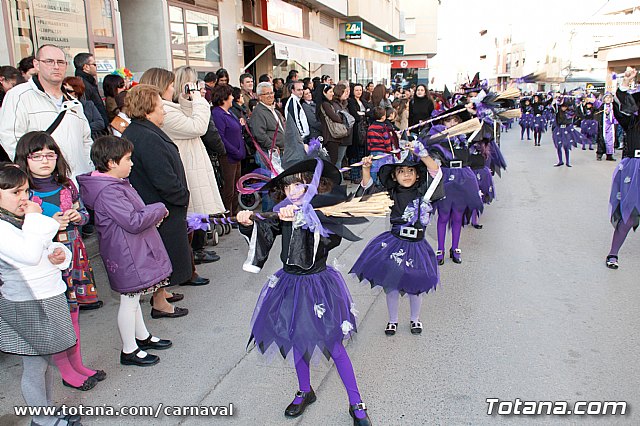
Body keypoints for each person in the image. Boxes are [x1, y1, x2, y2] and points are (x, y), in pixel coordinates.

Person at [236, 159, 372, 426]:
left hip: (318, 285)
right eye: (288, 187)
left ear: (314, 185)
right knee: (297, 338)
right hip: (289, 284)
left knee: (334, 344)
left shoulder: (322, 211)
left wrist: (306, 217)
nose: (294, 191)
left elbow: (332, 235)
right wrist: (247, 222)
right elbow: (264, 230)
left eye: (300, 185)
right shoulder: (281, 211)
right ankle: (304, 390)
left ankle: (356, 402)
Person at [14, 132, 104, 391]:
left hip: (74, 256)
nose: (45, 160)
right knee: (57, 318)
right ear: (24, 159)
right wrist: (48, 224)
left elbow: (85, 215)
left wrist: (78, 216)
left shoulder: (67, 185)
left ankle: (78, 365)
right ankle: (67, 372)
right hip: (46, 263)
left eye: (50, 155)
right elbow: (19, 230)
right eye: (37, 156)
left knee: (73, 314)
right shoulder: (22, 193)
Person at [78, 136, 174, 366]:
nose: (132, 163)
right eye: (128, 159)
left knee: (134, 297)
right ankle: (129, 349)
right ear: (111, 163)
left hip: (130, 248)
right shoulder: (109, 191)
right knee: (129, 300)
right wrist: (159, 208)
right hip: (126, 252)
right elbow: (132, 220)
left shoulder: (115, 184)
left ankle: (142, 336)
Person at [0, 162, 81, 426]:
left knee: (45, 362)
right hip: (25, 303)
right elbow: (29, 254)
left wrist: (59, 255)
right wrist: (36, 219)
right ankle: (42, 419)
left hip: (44, 297)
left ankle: (47, 411)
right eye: (15, 192)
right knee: (35, 367)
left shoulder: (20, 220)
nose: (23, 198)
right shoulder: (4, 227)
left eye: (25, 191)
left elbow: (45, 248)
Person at [350, 143, 442, 336]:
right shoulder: (390, 194)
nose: (406, 175)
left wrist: (422, 154)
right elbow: (369, 192)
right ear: (394, 176)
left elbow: (436, 173)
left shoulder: (424, 192)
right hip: (395, 243)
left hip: (417, 245)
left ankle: (415, 319)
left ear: (418, 175)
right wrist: (366, 169)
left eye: (411, 171)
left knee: (415, 284)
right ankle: (393, 320)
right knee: (391, 285)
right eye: (401, 171)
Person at [120, 84, 195, 316]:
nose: (164, 111)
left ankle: (161, 292)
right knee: (161, 254)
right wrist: (181, 196)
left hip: (157, 203)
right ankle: (160, 303)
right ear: (147, 109)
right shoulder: (146, 136)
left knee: (163, 253)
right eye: (160, 107)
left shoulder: (141, 131)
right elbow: (163, 177)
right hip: (161, 205)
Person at [140, 66, 224, 267]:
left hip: (189, 162)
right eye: (171, 85)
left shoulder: (169, 107)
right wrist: (199, 99)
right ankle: (189, 261)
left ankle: (192, 257)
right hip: (184, 165)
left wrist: (188, 99)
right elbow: (198, 126)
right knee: (188, 216)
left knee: (192, 215)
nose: (174, 88)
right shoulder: (164, 111)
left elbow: (188, 116)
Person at [0, 45, 93, 183]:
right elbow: (11, 139)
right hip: (43, 184)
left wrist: (88, 171)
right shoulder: (19, 96)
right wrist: (37, 174)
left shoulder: (74, 104)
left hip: (77, 182)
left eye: (60, 62)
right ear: (36, 64)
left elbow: (86, 141)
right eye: (49, 61)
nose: (56, 67)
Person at [429, 107, 483, 265]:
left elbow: (481, 124)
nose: (452, 123)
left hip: (462, 178)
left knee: (458, 216)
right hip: (445, 177)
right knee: (443, 215)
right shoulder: (438, 139)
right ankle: (440, 250)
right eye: (448, 120)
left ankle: (455, 248)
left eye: (455, 120)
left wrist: (476, 110)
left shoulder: (466, 137)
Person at [605, 67, 640, 269]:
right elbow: (620, 107)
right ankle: (613, 254)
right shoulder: (632, 122)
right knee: (629, 215)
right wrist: (626, 82)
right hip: (634, 169)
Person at [249, 82, 285, 211]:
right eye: (266, 94)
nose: (270, 96)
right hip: (267, 154)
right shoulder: (259, 112)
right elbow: (259, 134)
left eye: (271, 93)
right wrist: (272, 146)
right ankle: (268, 216)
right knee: (270, 187)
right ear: (259, 96)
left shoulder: (273, 110)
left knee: (277, 186)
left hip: (277, 153)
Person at [211, 84, 246, 215]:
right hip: (228, 157)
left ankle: (235, 213)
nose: (232, 98)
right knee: (228, 190)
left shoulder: (229, 112)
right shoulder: (217, 114)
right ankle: (228, 216)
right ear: (224, 97)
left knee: (236, 188)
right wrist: (234, 151)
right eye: (230, 95)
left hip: (237, 156)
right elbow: (220, 137)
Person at [316, 84, 352, 167]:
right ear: (324, 93)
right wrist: (342, 118)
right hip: (331, 136)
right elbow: (336, 118)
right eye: (330, 92)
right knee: (333, 161)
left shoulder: (326, 104)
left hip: (330, 135)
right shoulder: (325, 104)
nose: (332, 94)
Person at [73, 53, 109, 128]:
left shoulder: (89, 81)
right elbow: (86, 110)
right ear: (86, 67)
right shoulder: (81, 83)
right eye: (94, 64)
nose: (96, 67)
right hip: (94, 129)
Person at [366, 106, 397, 184]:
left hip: (373, 150)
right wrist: (389, 150)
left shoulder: (370, 127)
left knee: (373, 168)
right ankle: (381, 183)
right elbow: (387, 140)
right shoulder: (384, 128)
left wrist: (369, 149)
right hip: (383, 151)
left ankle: (373, 183)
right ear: (383, 116)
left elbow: (368, 140)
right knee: (382, 169)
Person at [282, 80, 310, 168]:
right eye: (298, 90)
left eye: (302, 89)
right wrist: (301, 137)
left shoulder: (296, 101)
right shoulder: (293, 101)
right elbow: (294, 121)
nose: (301, 92)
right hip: (298, 139)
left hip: (299, 138)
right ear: (292, 90)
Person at [552, 96, 586, 167]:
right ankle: (560, 161)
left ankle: (567, 162)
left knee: (566, 145)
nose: (563, 108)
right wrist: (557, 98)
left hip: (567, 129)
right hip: (559, 129)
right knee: (558, 146)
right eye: (562, 107)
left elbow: (576, 111)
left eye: (565, 107)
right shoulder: (558, 112)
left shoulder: (569, 113)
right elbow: (554, 105)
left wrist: (578, 103)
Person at [347, 83, 370, 183]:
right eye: (356, 90)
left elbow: (370, 112)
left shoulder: (364, 101)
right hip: (355, 132)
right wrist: (364, 114)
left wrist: (363, 114)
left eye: (360, 90)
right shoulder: (351, 102)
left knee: (362, 154)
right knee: (354, 155)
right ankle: (354, 176)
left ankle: (361, 175)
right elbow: (355, 116)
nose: (359, 92)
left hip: (365, 130)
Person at [596, 92, 617, 161]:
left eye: (609, 97)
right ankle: (599, 154)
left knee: (611, 140)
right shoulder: (601, 106)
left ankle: (609, 155)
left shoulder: (614, 106)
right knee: (601, 139)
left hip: (611, 126)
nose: (608, 99)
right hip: (603, 125)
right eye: (606, 97)